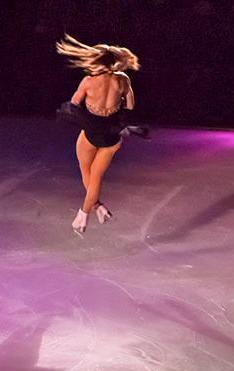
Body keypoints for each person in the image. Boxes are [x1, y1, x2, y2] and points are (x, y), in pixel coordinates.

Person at [56, 34, 144, 236]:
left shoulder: (88, 81)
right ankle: (89, 211)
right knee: (95, 178)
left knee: (86, 172)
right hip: (111, 136)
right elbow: (130, 106)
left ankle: (90, 210)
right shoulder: (123, 80)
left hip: (91, 132)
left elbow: (73, 104)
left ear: (96, 62)